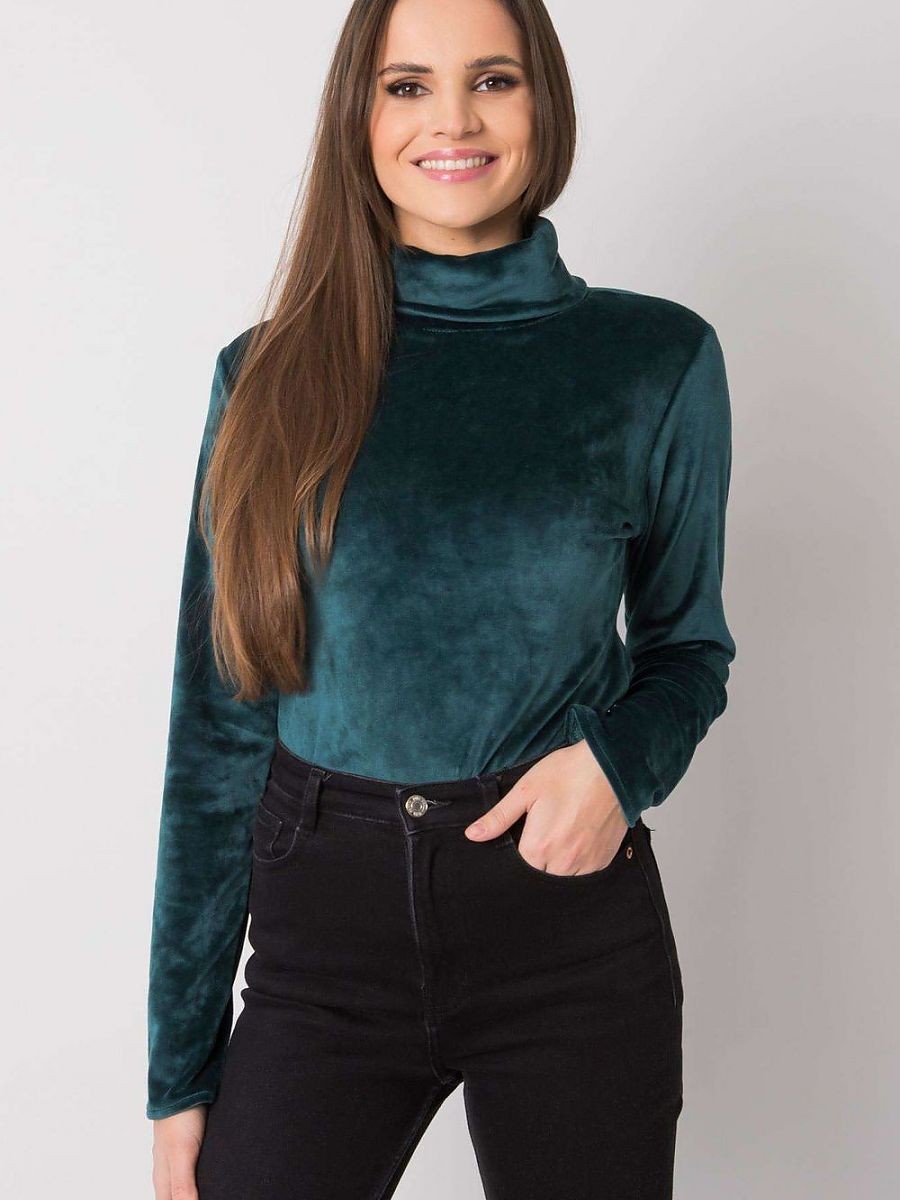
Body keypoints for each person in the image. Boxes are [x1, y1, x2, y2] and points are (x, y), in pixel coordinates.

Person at [147, 0, 736, 1196]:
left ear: (543, 102)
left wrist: (616, 767)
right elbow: (216, 733)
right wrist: (181, 1073)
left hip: (568, 937)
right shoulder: (264, 374)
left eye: (494, 80)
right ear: (359, 117)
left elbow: (689, 649)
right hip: (323, 948)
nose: (453, 120)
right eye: (408, 86)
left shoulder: (655, 359)